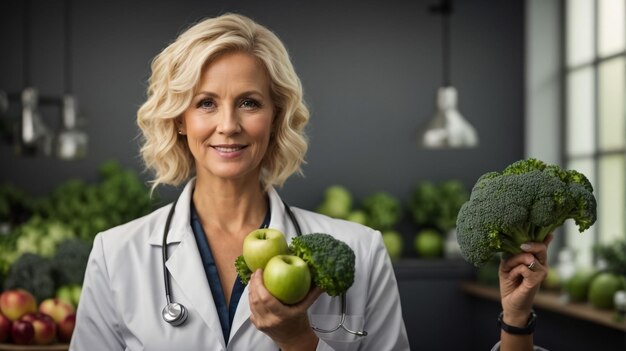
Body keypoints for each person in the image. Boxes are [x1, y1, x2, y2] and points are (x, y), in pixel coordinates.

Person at [70, 13, 549, 351]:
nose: (229, 125)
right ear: (179, 119)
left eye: (250, 103)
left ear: (277, 117)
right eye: (206, 103)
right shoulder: (117, 255)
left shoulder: (360, 250)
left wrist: (300, 342)